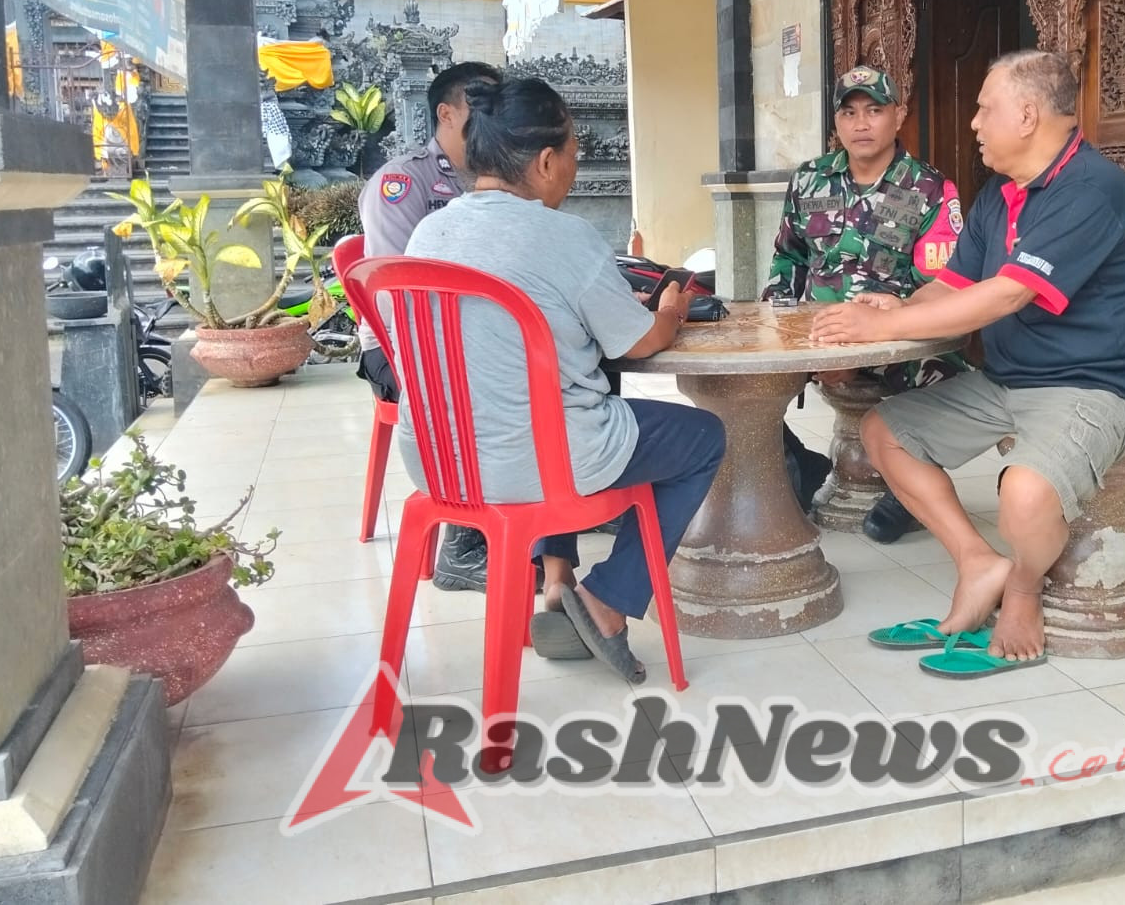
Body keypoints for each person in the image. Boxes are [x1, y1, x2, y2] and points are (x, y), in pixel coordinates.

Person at [811, 51, 1125, 674]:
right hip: (1011, 381)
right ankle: (979, 563)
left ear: (1027, 115)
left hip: (1101, 388)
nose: (974, 122)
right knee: (884, 432)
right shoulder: (1000, 197)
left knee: (1024, 497)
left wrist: (889, 324)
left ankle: (1023, 591)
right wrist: (894, 303)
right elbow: (953, 286)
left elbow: (1008, 293)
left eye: (984, 108)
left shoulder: (1090, 187)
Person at [399, 76, 726, 685]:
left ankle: (555, 581)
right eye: (575, 155)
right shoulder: (564, 237)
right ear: (546, 161)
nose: (574, 168)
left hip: (440, 462)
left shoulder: (428, 234)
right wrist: (671, 309)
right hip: (539, 464)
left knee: (543, 410)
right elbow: (640, 342)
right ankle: (608, 601)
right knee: (701, 435)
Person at [763, 65, 968, 542]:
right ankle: (797, 462)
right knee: (739, 380)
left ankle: (909, 490)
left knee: (938, 368)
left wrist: (864, 342)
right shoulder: (810, 179)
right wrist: (785, 332)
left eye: (874, 111)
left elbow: (939, 287)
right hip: (814, 334)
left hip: (896, 337)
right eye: (849, 112)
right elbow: (788, 258)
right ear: (836, 122)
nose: (861, 123)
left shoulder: (930, 189)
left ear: (899, 116)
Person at [358, 60, 503, 593]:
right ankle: (462, 545)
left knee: (580, 349)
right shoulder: (405, 182)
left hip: (479, 331)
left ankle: (572, 489)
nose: (492, 119)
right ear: (446, 113)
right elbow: (396, 292)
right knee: (484, 377)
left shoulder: (503, 177)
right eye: (480, 108)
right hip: (401, 346)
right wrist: (469, 342)